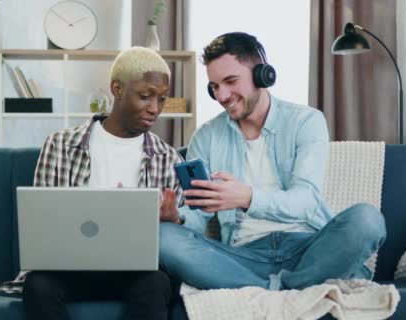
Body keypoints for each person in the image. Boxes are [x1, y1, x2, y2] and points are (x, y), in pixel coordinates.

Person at [157, 32, 386, 291]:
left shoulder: (306, 121)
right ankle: (291, 287)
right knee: (163, 236)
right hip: (243, 257)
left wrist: (248, 198)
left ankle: (266, 288)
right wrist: (177, 219)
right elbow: (199, 217)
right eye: (214, 87)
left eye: (230, 81)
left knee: (368, 219)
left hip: (309, 248)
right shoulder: (206, 136)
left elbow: (306, 201)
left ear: (262, 74)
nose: (222, 95)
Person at [23, 46, 184, 320]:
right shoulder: (60, 145)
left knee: (157, 283)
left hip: (136, 274)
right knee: (38, 285)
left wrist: (175, 220)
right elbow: (43, 225)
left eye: (162, 99)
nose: (155, 109)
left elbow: (182, 243)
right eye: (145, 96)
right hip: (69, 270)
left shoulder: (168, 158)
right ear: (117, 89)